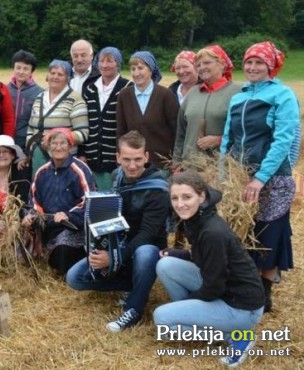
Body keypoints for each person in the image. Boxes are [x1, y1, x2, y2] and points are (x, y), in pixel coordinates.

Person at [221, 41, 301, 313]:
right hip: (240, 177)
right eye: (249, 62)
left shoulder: (283, 96)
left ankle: (264, 294)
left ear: (271, 67)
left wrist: (261, 178)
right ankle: (246, 287)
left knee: (268, 235)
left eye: (259, 63)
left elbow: (283, 141)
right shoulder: (239, 96)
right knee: (243, 233)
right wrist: (224, 170)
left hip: (272, 179)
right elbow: (228, 138)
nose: (253, 67)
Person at [154, 171, 264, 368]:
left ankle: (239, 336)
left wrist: (190, 300)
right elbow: (203, 259)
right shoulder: (197, 218)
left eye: (187, 197)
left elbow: (214, 285)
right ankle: (197, 315)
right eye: (175, 198)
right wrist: (176, 253)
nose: (180, 204)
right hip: (225, 291)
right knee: (165, 265)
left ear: (202, 196)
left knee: (162, 319)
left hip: (241, 306)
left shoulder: (212, 232)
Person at [67, 130, 170, 332]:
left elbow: (147, 233)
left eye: (138, 159)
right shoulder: (117, 176)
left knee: (145, 252)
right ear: (118, 158)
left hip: (145, 249)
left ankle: (134, 308)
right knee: (74, 278)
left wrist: (114, 257)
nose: (132, 165)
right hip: (119, 244)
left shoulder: (158, 189)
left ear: (146, 157)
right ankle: (130, 285)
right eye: (127, 159)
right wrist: (98, 246)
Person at [22, 128, 94, 274]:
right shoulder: (41, 172)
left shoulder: (80, 170)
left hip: (74, 228)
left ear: (70, 146)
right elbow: (34, 201)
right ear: (47, 147)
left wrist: (68, 215)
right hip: (48, 227)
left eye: (63, 143)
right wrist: (30, 215)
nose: (58, 147)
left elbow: (89, 201)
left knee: (61, 256)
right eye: (54, 143)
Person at [174, 45, 240, 164]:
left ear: (222, 64)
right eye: (198, 65)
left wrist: (220, 140)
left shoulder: (237, 92)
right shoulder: (192, 93)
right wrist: (176, 164)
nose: (202, 67)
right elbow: (181, 134)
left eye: (207, 63)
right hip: (190, 168)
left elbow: (246, 132)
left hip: (221, 169)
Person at [79, 46, 133, 189]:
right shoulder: (90, 88)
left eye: (110, 61)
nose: (105, 65)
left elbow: (129, 124)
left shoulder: (127, 87)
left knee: (115, 196)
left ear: (118, 64)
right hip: (92, 156)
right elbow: (85, 121)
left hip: (116, 157)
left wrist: (124, 152)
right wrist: (82, 152)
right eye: (101, 61)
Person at [116, 51, 178, 170]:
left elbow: (175, 130)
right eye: (133, 69)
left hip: (161, 164)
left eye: (140, 68)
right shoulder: (124, 95)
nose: (136, 73)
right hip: (133, 165)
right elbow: (121, 130)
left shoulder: (165, 95)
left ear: (151, 70)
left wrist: (175, 160)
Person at [26, 59, 88, 175]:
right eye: (52, 73)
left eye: (60, 74)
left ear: (67, 78)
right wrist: (31, 148)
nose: (55, 77)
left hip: (63, 159)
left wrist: (55, 135)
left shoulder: (75, 99)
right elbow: (31, 127)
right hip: (38, 158)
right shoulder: (40, 97)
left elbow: (83, 133)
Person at [7, 50, 44, 148]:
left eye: (25, 69)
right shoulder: (5, 90)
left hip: (28, 142)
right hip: (7, 140)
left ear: (32, 71)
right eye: (18, 68)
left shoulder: (40, 93)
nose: (21, 72)